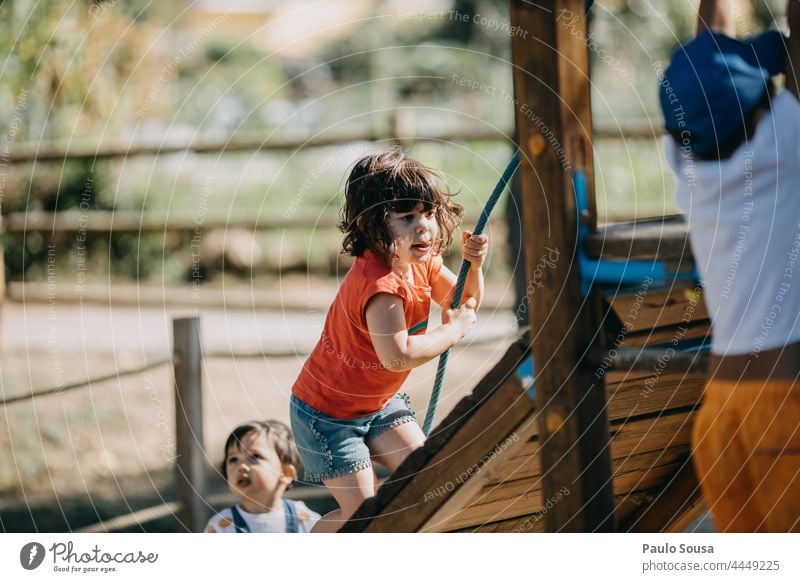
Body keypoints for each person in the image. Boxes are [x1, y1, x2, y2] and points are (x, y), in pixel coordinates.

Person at [290, 146, 488, 532]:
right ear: (370, 226)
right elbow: (398, 356)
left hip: (378, 404)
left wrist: (475, 267)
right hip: (328, 417)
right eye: (407, 217)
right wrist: (453, 329)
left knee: (428, 482)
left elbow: (464, 301)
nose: (424, 227)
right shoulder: (379, 286)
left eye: (428, 213)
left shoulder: (423, 263)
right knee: (367, 516)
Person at [660, 0, 800, 531]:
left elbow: (705, 57)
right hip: (784, 406)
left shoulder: (687, 161)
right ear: (761, 108)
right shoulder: (785, 144)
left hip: (720, 419)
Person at [205, 420, 320, 533]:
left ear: (286, 473)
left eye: (255, 456)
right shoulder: (221, 527)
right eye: (233, 459)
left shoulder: (306, 520)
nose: (241, 466)